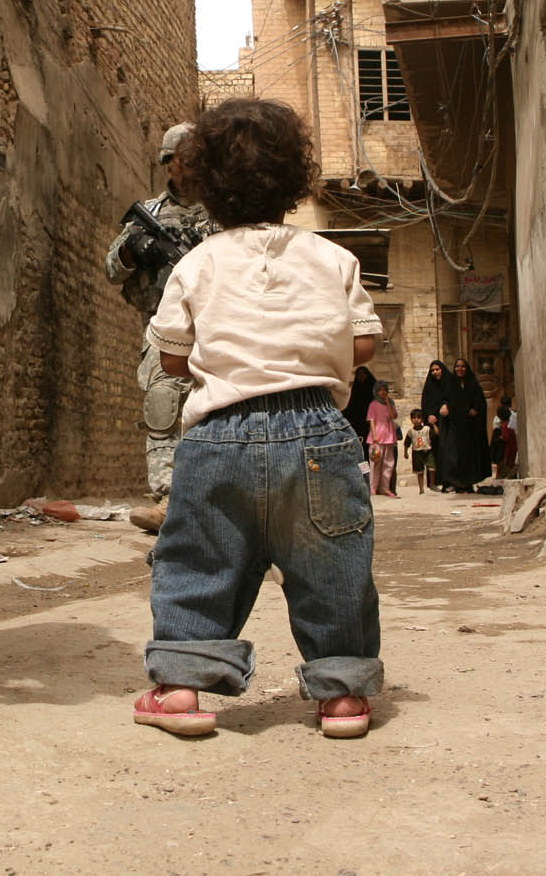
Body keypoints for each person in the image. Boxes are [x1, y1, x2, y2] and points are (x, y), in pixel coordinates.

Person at [131, 98, 385, 740]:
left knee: (198, 559)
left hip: (219, 434)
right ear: (294, 183)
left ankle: (183, 688)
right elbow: (362, 345)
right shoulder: (332, 258)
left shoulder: (195, 263)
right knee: (333, 566)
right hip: (318, 435)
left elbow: (171, 354)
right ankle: (343, 697)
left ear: (208, 188)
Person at [103, 123, 213, 534]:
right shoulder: (150, 214)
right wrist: (134, 248)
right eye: (180, 159)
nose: (187, 168)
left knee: (215, 410)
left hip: (216, 328)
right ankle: (166, 500)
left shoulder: (223, 214)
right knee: (163, 406)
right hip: (162, 327)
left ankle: (214, 500)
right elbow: (112, 270)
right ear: (169, 163)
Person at [421, 360, 465, 491]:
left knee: (451, 451)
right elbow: (426, 403)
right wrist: (429, 415)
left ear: (442, 369)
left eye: (437, 369)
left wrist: (448, 406)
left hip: (451, 423)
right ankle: (444, 482)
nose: (435, 372)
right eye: (432, 370)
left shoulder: (451, 381)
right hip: (436, 425)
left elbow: (458, 399)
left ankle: (455, 482)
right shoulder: (430, 385)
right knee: (439, 453)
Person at [453, 358, 490, 488]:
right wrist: (464, 411)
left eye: (463, 366)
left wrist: (475, 410)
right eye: (457, 366)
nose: (460, 369)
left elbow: (481, 404)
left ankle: (468, 483)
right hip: (455, 427)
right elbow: (450, 402)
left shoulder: (473, 384)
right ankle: (457, 484)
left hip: (470, 428)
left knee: (469, 455)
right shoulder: (451, 385)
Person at [365, 382, 400, 497]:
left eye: (385, 389)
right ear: (376, 391)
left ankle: (384, 487)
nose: (383, 392)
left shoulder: (390, 403)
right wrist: (374, 435)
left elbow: (392, 416)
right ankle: (373, 488)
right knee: (375, 463)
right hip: (377, 437)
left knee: (388, 464)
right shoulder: (373, 404)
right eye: (380, 390)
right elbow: (371, 420)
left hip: (389, 435)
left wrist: (388, 403)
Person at [407, 407, 432, 494]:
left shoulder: (427, 429)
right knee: (419, 472)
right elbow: (407, 443)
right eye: (414, 418)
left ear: (422, 419)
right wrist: (405, 452)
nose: (416, 420)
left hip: (427, 451)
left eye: (418, 418)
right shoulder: (411, 431)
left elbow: (435, 435)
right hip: (417, 453)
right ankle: (421, 488)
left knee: (432, 468)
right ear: (411, 419)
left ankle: (432, 484)